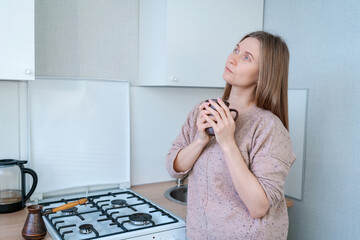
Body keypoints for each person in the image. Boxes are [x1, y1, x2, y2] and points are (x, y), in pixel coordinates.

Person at [166, 31, 296, 240]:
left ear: (264, 73)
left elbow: (258, 207)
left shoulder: (269, 127)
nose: (232, 58)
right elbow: (174, 168)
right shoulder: (203, 109)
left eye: (247, 57)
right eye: (236, 49)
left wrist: (227, 143)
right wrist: (200, 141)